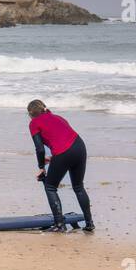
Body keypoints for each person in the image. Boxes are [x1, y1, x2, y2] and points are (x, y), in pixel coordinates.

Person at [27, 99, 94, 233]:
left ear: (30, 114)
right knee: (78, 187)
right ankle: (89, 223)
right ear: (44, 108)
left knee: (50, 187)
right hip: (80, 147)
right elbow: (64, 139)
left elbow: (40, 149)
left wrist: (41, 166)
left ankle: (59, 224)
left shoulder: (34, 123)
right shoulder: (58, 117)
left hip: (64, 152)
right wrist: (53, 158)